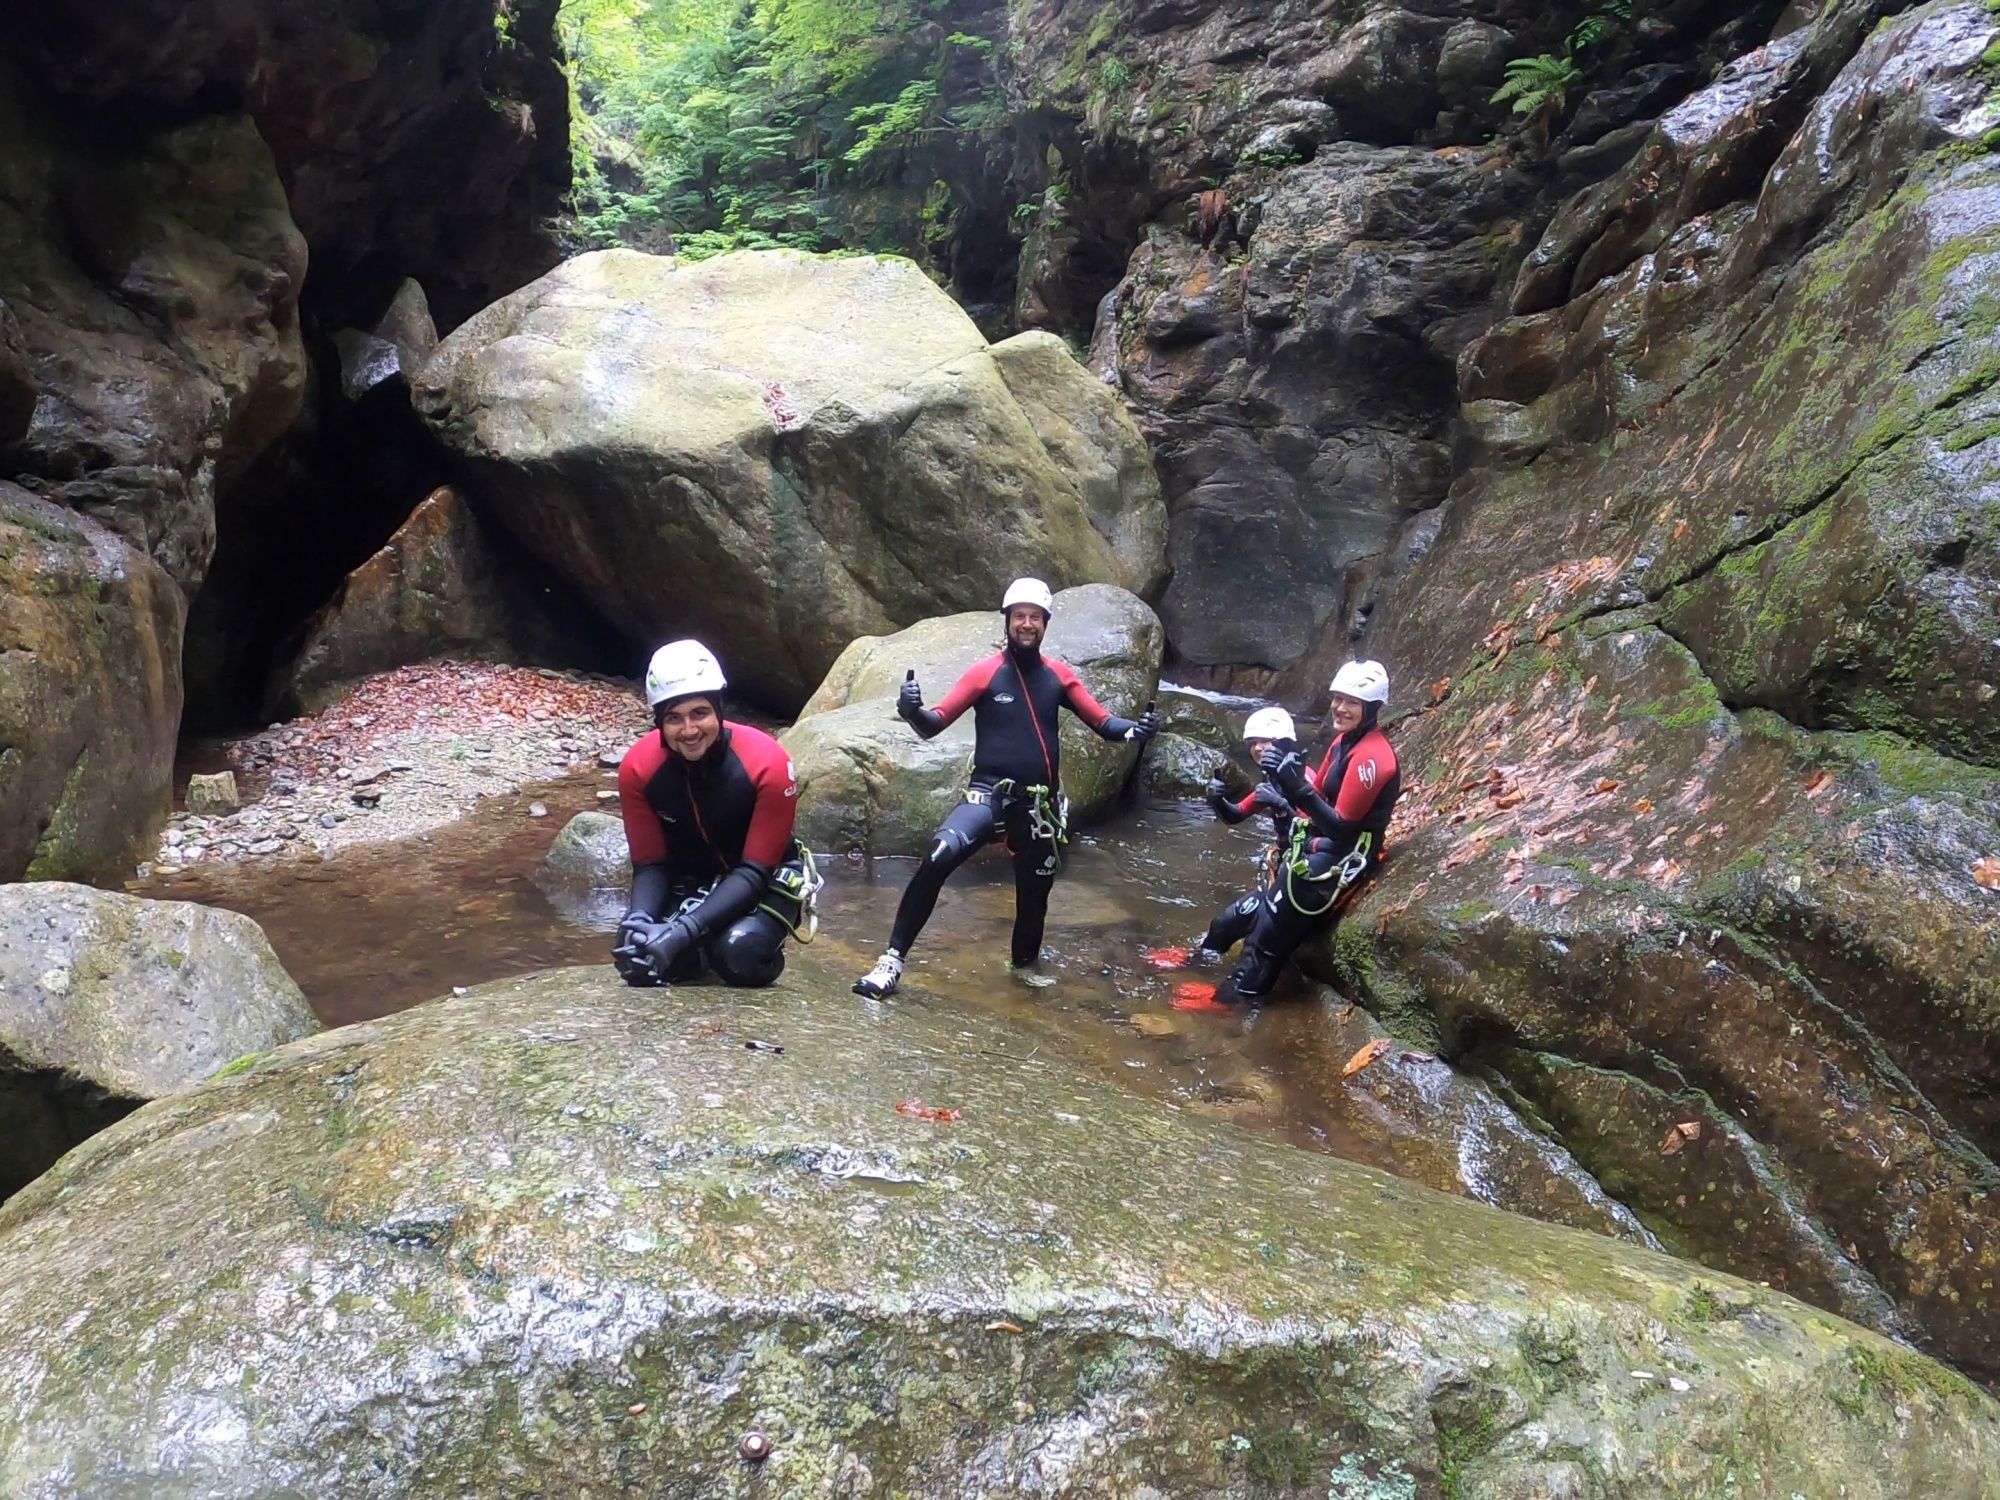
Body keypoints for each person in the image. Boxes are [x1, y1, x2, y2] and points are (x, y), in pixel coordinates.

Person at [852, 578, 1159, 999]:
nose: (1026, 624)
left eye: (1034, 617)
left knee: (1034, 898)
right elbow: (933, 723)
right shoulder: (985, 673)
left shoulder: (1058, 676)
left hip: (1038, 808)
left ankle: (1022, 974)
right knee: (939, 857)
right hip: (989, 794)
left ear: (1045, 623)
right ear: (1007, 621)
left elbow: (1104, 723)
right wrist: (911, 710)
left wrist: (1135, 730)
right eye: (1019, 616)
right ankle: (891, 962)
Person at [612, 639, 817, 989]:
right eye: (674, 718)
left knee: (740, 955)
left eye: (700, 713)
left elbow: (754, 871)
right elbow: (651, 864)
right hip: (693, 875)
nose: (689, 731)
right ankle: (701, 949)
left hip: (764, 876)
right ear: (658, 721)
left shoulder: (767, 763)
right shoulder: (638, 768)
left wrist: (681, 931)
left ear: (719, 710)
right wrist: (640, 921)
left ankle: (724, 942)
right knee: (637, 952)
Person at [1212, 661, 1401, 1000]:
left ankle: (1232, 1002)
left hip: (1343, 857)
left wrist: (1295, 788)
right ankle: (1205, 966)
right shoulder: (1342, 744)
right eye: (1337, 698)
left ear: (1372, 707)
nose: (1340, 707)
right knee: (1241, 917)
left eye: (1352, 702)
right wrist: (1289, 785)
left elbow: (1342, 828)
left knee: (1267, 937)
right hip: (1320, 846)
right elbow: (1318, 798)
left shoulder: (1371, 757)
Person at [1193, 705, 1301, 959]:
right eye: (1253, 743)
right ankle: (1194, 962)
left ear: (1284, 742)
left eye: (1265, 741)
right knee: (1222, 925)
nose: (1258, 748)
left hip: (1302, 873)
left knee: (1241, 929)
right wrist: (1217, 800)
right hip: (1286, 867)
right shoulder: (1271, 780)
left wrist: (1282, 804)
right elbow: (1236, 814)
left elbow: (1318, 827)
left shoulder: (1302, 778)